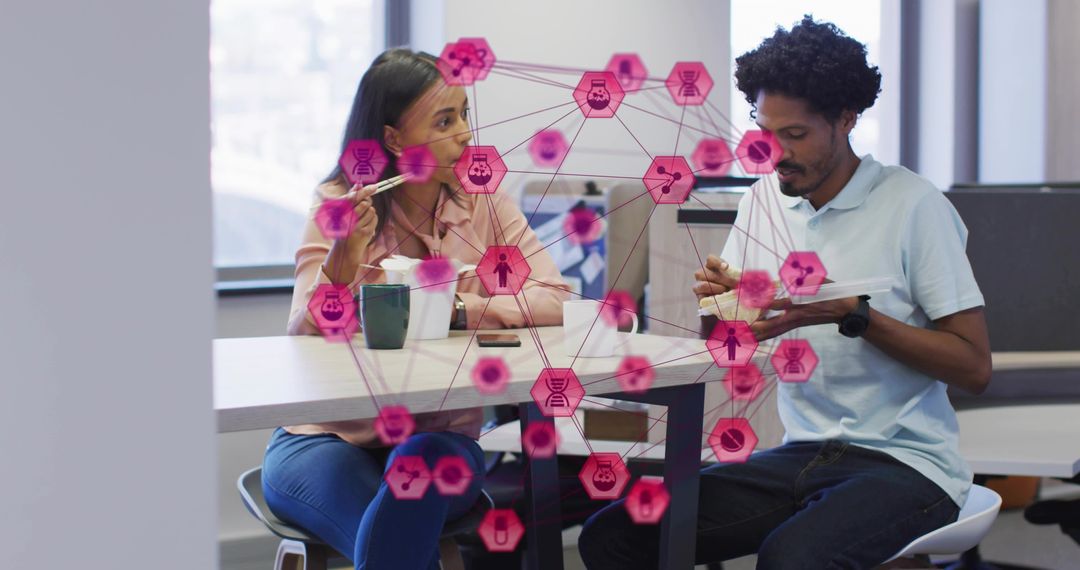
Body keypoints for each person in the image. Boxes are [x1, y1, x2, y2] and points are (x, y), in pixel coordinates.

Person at [579, 16, 991, 569]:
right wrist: (718, 306)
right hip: (802, 453)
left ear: (846, 120)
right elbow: (730, 345)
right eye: (763, 131)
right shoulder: (763, 202)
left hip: (907, 463)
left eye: (794, 135)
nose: (773, 153)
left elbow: (973, 367)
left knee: (792, 559)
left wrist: (851, 315)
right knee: (617, 534)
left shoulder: (914, 206)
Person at [263, 48, 569, 570]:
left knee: (415, 485)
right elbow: (303, 329)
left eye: (465, 114)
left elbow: (554, 298)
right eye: (445, 120)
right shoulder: (339, 202)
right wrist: (344, 257)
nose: (466, 135)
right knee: (399, 540)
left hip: (437, 438)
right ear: (393, 139)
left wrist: (455, 308)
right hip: (327, 438)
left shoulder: (484, 199)